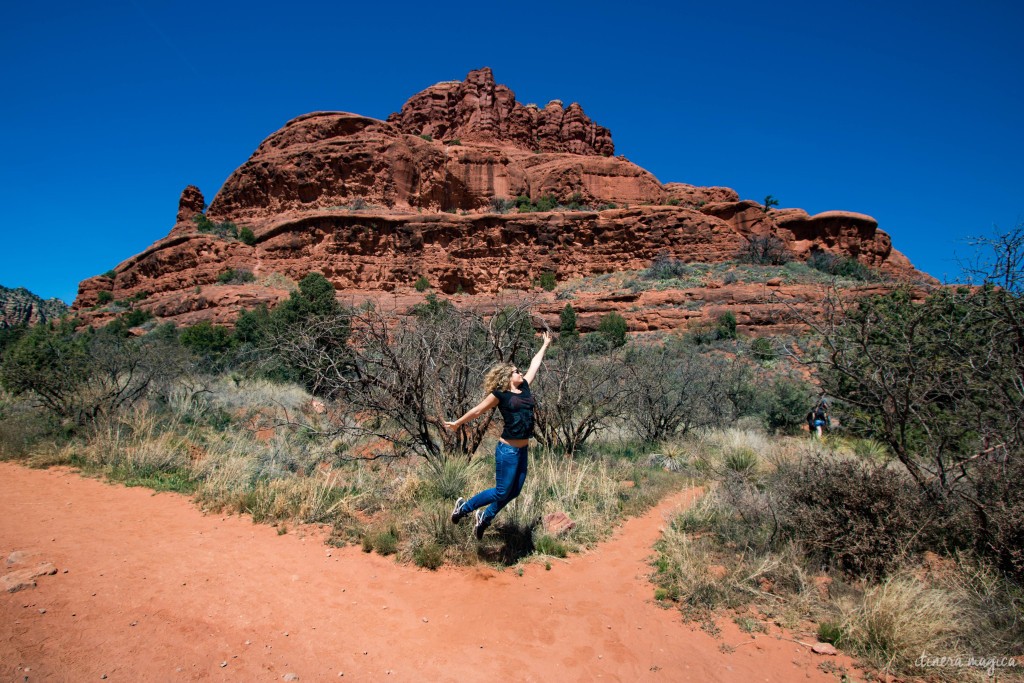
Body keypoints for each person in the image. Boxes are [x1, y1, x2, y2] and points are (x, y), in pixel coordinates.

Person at [445, 330, 553, 540]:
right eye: (515, 372)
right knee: (502, 492)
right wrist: (458, 423)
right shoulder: (500, 395)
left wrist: (545, 345)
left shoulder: (526, 387)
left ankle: (484, 517)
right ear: (507, 378)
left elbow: (535, 364)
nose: (520, 373)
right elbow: (477, 410)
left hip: (522, 450)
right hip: (508, 451)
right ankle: (463, 508)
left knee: (514, 491)